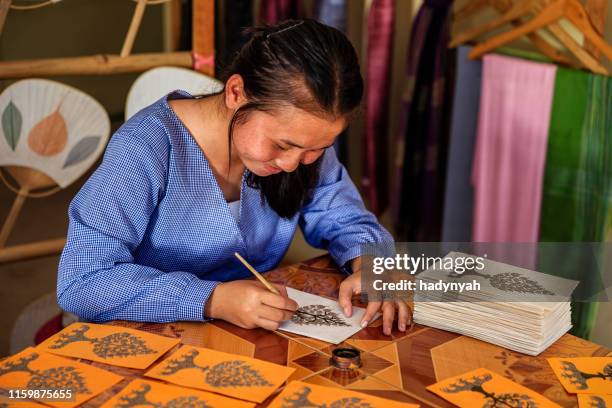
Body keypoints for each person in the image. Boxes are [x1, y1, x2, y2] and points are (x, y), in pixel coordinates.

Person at [57, 19, 410, 336]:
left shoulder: (304, 143)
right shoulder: (144, 149)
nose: (293, 164)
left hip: (251, 327)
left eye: (316, 149)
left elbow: (345, 216)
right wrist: (213, 299)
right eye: (282, 145)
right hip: (146, 327)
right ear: (236, 92)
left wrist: (373, 265)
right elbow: (83, 280)